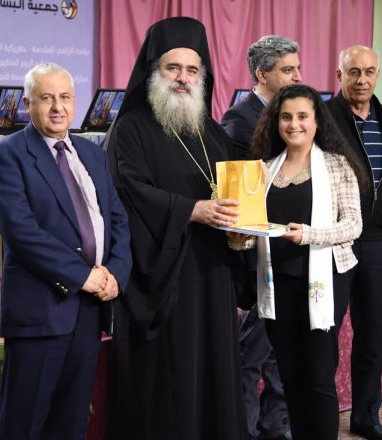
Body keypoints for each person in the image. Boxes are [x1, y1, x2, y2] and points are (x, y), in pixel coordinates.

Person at [105, 16, 247, 440]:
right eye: (173, 68)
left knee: (213, 373)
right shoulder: (130, 130)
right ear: (154, 71)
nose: (183, 78)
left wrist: (239, 233)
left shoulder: (213, 134)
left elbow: (233, 198)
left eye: (192, 70)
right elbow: (130, 193)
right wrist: (192, 211)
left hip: (213, 277)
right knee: (171, 382)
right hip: (163, 281)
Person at [0, 62, 132, 440]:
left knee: (70, 423)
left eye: (65, 97)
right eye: (46, 98)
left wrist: (115, 274)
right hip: (41, 311)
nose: (57, 107)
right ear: (28, 103)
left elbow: (117, 219)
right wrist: (84, 276)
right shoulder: (6, 155)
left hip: (89, 313)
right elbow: (21, 232)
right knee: (23, 425)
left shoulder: (92, 154)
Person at [237, 83, 364, 439]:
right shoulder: (264, 170)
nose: (294, 124)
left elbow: (353, 225)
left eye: (302, 116)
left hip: (324, 284)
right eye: (286, 117)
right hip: (278, 286)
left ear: (317, 121)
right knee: (289, 377)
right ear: (276, 122)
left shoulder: (337, 166)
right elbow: (255, 230)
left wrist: (308, 234)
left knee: (318, 378)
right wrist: (238, 236)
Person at [221, 34, 301, 440]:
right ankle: (247, 431)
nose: (298, 77)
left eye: (297, 68)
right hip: (257, 261)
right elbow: (241, 201)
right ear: (261, 74)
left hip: (290, 251)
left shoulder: (295, 116)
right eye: (288, 70)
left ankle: (276, 427)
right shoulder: (239, 122)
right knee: (251, 356)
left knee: (281, 354)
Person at [325, 45, 382, 440]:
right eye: (353, 72)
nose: (362, 80)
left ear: (377, 74)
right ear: (339, 75)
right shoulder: (322, 118)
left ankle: (366, 416)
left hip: (376, 241)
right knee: (325, 330)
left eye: (369, 72)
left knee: (372, 333)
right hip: (334, 239)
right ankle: (319, 415)